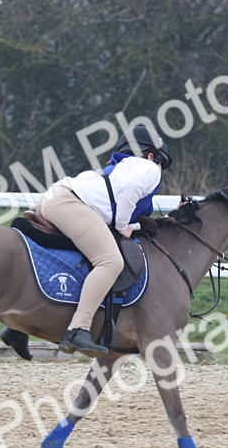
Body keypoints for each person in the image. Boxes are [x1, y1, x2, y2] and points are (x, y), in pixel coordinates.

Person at [37, 125, 171, 355]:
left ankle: (22, 325)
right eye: (160, 162)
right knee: (111, 262)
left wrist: (135, 225)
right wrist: (122, 227)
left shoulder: (118, 168)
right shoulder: (149, 167)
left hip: (54, 199)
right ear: (151, 155)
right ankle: (78, 329)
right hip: (70, 203)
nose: (160, 168)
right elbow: (129, 193)